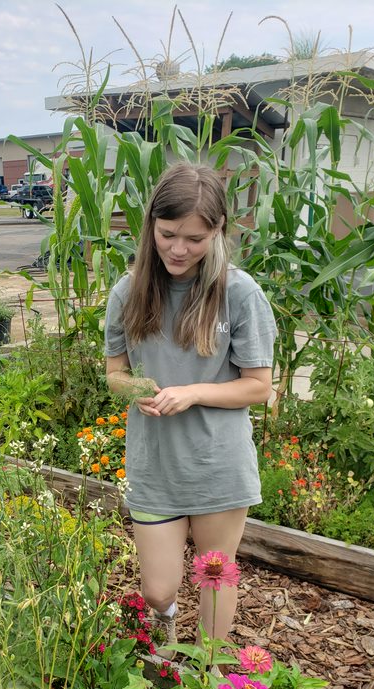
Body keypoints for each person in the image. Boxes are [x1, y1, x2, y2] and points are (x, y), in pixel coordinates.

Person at [104, 162, 277, 654]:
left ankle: (209, 674)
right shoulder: (128, 292)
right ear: (150, 227)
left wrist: (193, 392)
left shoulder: (239, 294)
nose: (179, 249)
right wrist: (132, 388)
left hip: (217, 464)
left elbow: (258, 387)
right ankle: (169, 634)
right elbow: (113, 372)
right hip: (154, 464)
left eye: (195, 239)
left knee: (215, 578)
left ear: (218, 231)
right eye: (168, 234)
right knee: (158, 590)